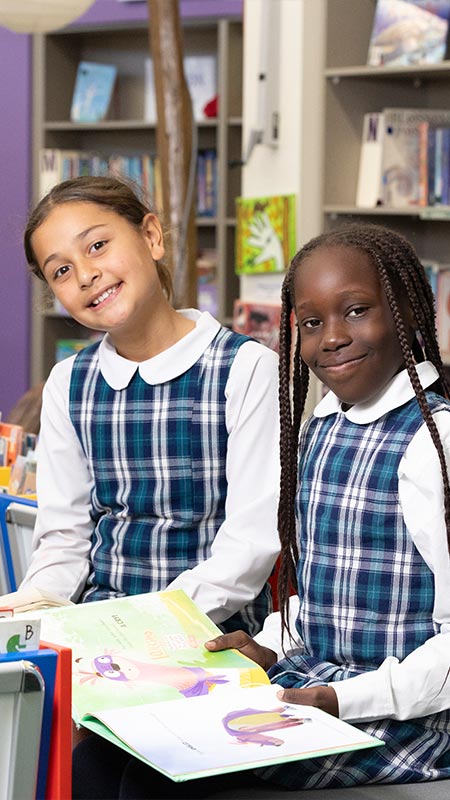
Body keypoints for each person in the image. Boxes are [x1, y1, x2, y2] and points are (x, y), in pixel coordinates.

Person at [72, 222, 450, 797]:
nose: (332, 338)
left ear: (409, 313)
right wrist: (273, 646)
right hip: (312, 688)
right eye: (313, 322)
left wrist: (340, 697)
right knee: (101, 754)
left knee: (160, 780)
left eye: (356, 311)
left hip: (403, 720)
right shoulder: (322, 426)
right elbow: (315, 590)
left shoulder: (433, 443)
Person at [16, 175, 280, 639]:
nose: (85, 275)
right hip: (95, 632)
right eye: (61, 270)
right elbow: (64, 541)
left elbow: (250, 549)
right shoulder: (68, 384)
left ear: (151, 236)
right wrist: (34, 613)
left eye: (97, 245)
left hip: (212, 636)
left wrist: (147, 626)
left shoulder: (246, 368)